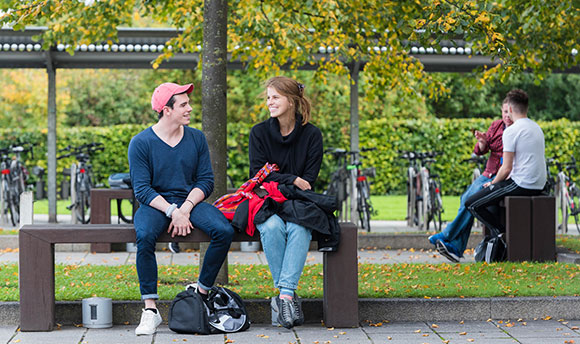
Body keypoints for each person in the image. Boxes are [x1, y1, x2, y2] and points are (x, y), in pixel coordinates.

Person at [128, 82, 234, 335]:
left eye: (188, 103)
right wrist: (172, 212)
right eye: (184, 104)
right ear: (167, 110)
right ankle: (150, 310)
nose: (190, 108)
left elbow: (206, 181)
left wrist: (184, 208)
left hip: (190, 202)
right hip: (155, 204)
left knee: (224, 230)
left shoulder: (196, 138)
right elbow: (142, 189)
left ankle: (201, 293)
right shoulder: (141, 142)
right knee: (144, 236)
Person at [249, 76, 323, 329]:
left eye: (275, 97)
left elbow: (309, 181)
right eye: (268, 97)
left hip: (300, 203)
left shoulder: (312, 135)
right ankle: (288, 297)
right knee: (271, 228)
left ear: (291, 101)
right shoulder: (258, 133)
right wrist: (292, 178)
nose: (270, 102)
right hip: (267, 201)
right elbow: (258, 175)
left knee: (299, 228)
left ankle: (284, 296)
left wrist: (280, 179)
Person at [429, 99, 513, 262]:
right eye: (504, 112)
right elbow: (482, 150)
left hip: (500, 176)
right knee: (464, 199)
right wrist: (482, 143)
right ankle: (455, 248)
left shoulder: (516, 131)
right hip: (488, 173)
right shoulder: (496, 126)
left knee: (469, 201)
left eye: (510, 112)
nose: (507, 115)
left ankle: (448, 237)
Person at [465, 89, 546, 237]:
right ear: (526, 108)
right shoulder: (536, 128)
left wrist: (493, 183)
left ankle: (501, 234)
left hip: (522, 184)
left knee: (471, 204)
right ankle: (502, 234)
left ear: (509, 109)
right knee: (485, 199)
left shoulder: (511, 131)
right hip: (539, 184)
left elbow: (506, 168)